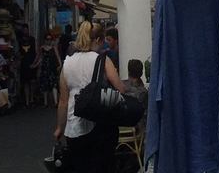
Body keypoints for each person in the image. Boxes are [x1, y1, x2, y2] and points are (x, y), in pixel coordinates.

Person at [55, 21, 125, 173]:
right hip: (98, 123)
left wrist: (60, 127)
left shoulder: (67, 63)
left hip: (74, 125)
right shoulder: (102, 60)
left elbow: (63, 101)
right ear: (98, 40)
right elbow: (120, 88)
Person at [34, 33, 62, 107]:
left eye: (50, 39)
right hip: (45, 67)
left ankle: (56, 101)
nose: (49, 41)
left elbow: (57, 56)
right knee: (45, 85)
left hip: (52, 67)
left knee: (54, 84)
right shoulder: (42, 48)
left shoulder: (54, 48)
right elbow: (41, 58)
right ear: (45, 40)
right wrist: (36, 65)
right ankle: (45, 102)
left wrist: (60, 64)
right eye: (47, 39)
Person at [123, 59, 148, 132]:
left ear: (128, 72)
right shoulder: (143, 93)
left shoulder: (121, 86)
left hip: (121, 129)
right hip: (138, 131)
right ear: (141, 73)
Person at [18, 24, 37, 107]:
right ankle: (27, 101)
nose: (26, 32)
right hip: (24, 64)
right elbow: (18, 52)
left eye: (27, 30)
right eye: (24, 30)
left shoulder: (32, 40)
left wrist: (35, 62)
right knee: (25, 83)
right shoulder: (19, 41)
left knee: (32, 82)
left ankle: (32, 98)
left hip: (31, 63)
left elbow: (37, 51)